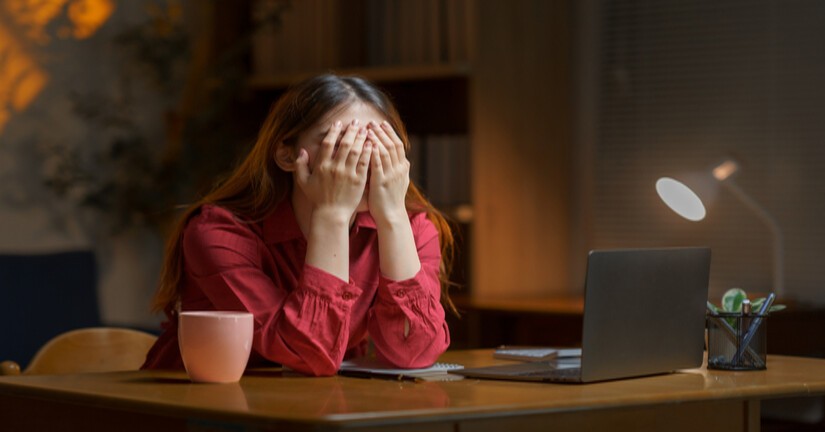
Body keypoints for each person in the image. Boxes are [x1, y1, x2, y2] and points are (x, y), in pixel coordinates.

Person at [141, 74, 456, 376]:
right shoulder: (218, 233)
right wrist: (332, 214)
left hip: (319, 408)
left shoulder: (412, 228)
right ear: (287, 155)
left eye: (375, 142)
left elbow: (414, 352)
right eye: (339, 141)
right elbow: (308, 353)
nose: (359, 158)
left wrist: (394, 218)